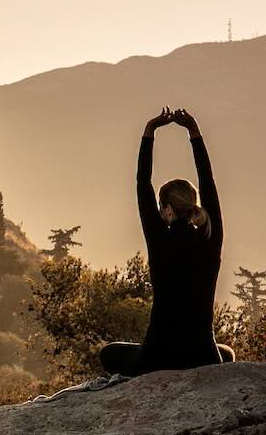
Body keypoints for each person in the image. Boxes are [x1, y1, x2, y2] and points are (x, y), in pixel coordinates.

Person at [98, 107, 234, 375]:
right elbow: (208, 181)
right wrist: (194, 132)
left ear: (168, 209)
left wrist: (150, 131)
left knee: (109, 352)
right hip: (202, 355)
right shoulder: (210, 236)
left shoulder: (160, 237)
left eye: (161, 208)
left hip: (156, 357)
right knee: (226, 352)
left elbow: (142, 182)